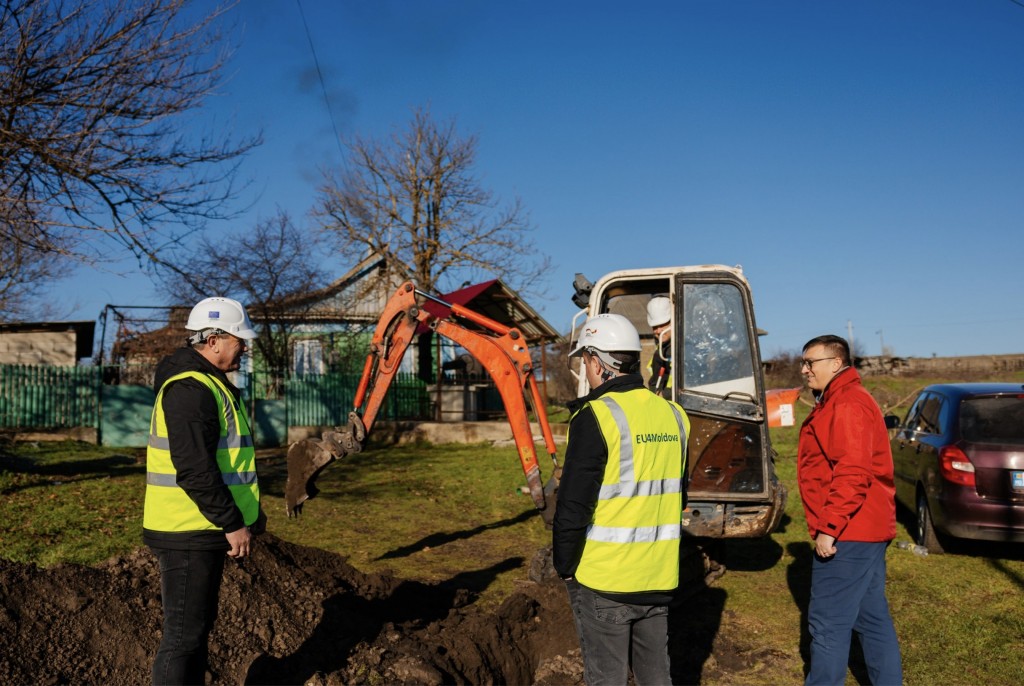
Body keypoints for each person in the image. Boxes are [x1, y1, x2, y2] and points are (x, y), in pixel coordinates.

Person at [553, 313, 690, 685]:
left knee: (606, 677)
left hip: (606, 579)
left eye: (584, 360)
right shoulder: (675, 416)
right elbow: (679, 492)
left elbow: (574, 504)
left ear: (597, 361)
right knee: (655, 676)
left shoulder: (595, 415)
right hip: (659, 576)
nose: (586, 368)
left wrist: (564, 564)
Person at [144, 296, 266, 685]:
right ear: (213, 340)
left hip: (200, 527)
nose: (244, 347)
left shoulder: (209, 384)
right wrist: (232, 522)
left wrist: (248, 515)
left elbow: (227, 462)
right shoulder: (191, 389)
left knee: (194, 636)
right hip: (188, 531)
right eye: (238, 340)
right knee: (182, 640)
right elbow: (195, 470)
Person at [797, 334, 902, 686]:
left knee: (828, 623)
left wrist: (830, 527)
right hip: (866, 527)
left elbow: (853, 471)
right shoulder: (839, 399)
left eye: (811, 362)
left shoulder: (847, 403)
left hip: (849, 532)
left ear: (837, 363)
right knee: (871, 618)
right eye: (804, 362)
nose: (804, 369)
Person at [646, 296, 673, 397]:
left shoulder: (687, 348)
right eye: (655, 327)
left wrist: (665, 394)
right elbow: (654, 383)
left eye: (662, 324)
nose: (658, 331)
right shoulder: (660, 352)